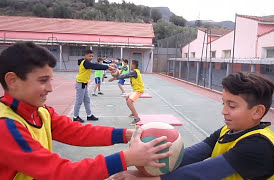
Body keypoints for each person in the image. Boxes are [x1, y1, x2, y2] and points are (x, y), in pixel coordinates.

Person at [0, 42, 172, 180]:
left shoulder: (40, 111)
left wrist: (129, 134)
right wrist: (127, 158)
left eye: (50, 80)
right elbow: (61, 173)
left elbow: (77, 132)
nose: (50, 88)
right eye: (43, 80)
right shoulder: (5, 127)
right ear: (12, 80)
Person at [111, 72, 274, 180]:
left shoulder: (258, 145)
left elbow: (201, 173)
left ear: (257, 112)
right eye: (223, 103)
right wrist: (147, 172)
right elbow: (192, 155)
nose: (223, 111)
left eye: (232, 106)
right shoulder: (229, 131)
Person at [73, 50, 113, 123]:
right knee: (79, 101)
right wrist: (107, 67)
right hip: (80, 83)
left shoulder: (87, 62)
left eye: (92, 56)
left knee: (87, 100)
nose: (91, 57)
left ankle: (89, 115)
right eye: (89, 56)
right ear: (85, 55)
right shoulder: (85, 62)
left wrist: (107, 67)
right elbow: (95, 66)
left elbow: (94, 65)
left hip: (84, 84)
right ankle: (75, 117)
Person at [109, 60, 144, 125]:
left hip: (139, 90)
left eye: (131, 65)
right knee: (127, 98)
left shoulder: (134, 71)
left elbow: (125, 75)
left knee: (129, 102)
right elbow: (126, 75)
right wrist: (117, 75)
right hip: (136, 90)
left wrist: (115, 78)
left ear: (134, 65)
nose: (130, 66)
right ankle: (133, 113)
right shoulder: (134, 71)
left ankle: (137, 118)